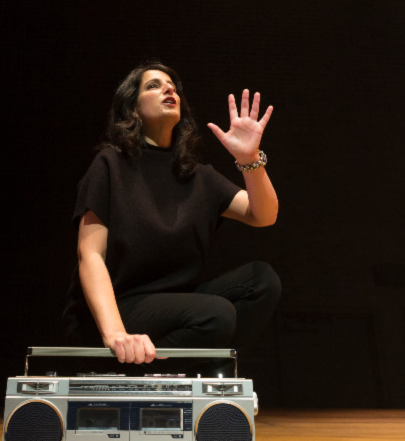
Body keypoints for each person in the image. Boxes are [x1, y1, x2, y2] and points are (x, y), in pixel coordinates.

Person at [62, 61, 281, 365]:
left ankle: (203, 369)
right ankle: (136, 372)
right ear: (132, 109)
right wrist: (115, 334)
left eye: (172, 85)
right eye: (153, 85)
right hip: (120, 306)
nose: (168, 88)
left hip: (179, 304)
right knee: (215, 314)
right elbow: (90, 255)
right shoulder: (111, 165)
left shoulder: (197, 175)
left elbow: (264, 214)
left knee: (261, 281)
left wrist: (250, 158)